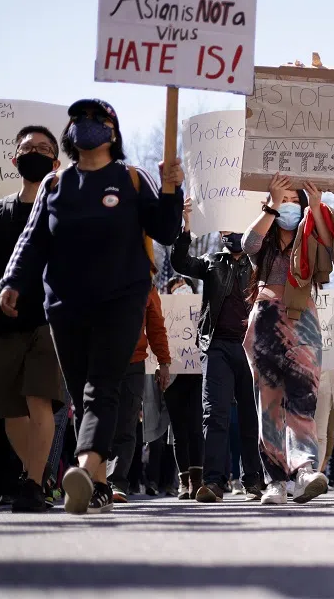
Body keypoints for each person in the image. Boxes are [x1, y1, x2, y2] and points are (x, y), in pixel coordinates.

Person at [0, 98, 184, 514]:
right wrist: (12, 280)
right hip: (65, 306)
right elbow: (32, 241)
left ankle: (82, 469)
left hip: (120, 302)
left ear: (113, 133)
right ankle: (97, 486)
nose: (88, 125)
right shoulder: (54, 185)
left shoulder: (133, 180)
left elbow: (168, 230)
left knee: (103, 385)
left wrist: (173, 188)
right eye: (80, 119)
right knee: (82, 395)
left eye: (98, 119)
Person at [242, 174, 334, 505]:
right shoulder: (263, 239)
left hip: (303, 321)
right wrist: (272, 203)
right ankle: (275, 480)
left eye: (296, 201)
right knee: (269, 403)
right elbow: (248, 244)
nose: (290, 207)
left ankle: (305, 469)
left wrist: (317, 206)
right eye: (286, 201)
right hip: (265, 320)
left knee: (302, 396)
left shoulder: (309, 238)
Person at [171, 201, 262, 503]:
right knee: (215, 415)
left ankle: (253, 481)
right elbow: (180, 262)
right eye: (227, 227)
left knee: (251, 416)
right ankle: (213, 482)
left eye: (239, 226)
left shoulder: (259, 260)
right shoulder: (211, 261)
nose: (232, 232)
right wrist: (185, 226)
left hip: (251, 348)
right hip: (217, 347)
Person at [0, 125, 63, 513]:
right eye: (27, 148)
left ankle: (34, 483)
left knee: (40, 402)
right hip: (3, 326)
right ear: (14, 159)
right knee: (11, 414)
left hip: (48, 322)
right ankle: (35, 474)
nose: (33, 153)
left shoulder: (64, 216)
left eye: (42, 148)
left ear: (55, 162)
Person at [108, 285, 171, 503]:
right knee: (97, 420)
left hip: (133, 363)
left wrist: (164, 361)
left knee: (126, 425)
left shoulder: (146, 284)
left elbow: (156, 326)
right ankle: (92, 476)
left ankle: (116, 482)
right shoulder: (98, 269)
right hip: (98, 360)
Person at [161, 275, 204, 499]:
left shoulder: (201, 310)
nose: (180, 290)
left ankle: (197, 481)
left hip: (196, 377)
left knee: (196, 428)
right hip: (173, 378)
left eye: (183, 286)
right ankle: (184, 481)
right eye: (175, 288)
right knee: (178, 433)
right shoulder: (163, 314)